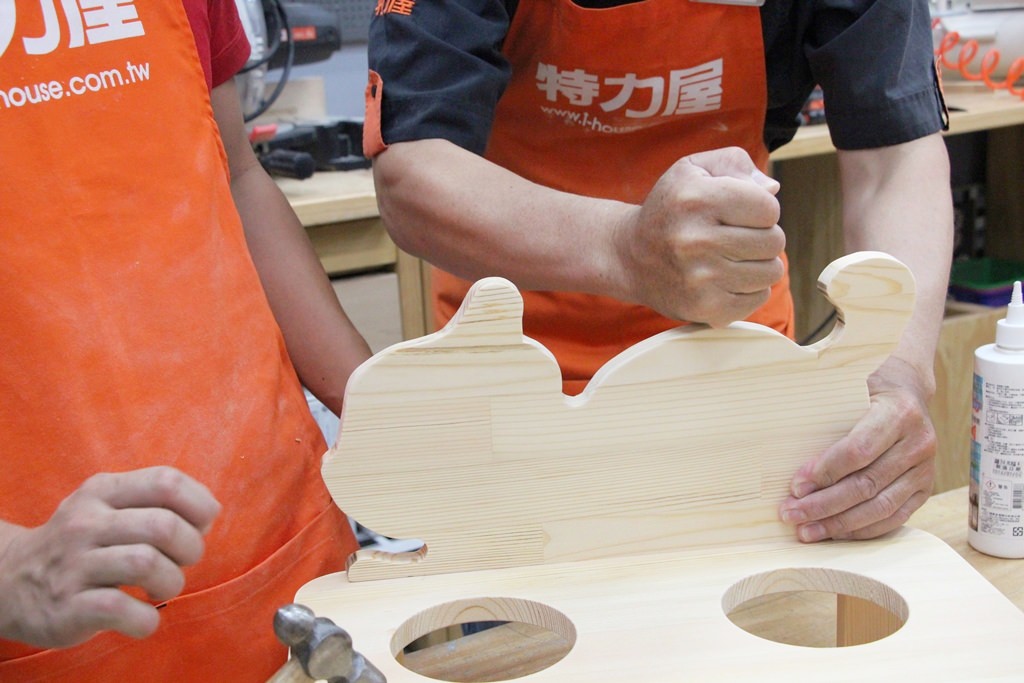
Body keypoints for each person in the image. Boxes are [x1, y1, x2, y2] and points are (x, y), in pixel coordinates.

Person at [363, 0, 954, 544]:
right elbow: (415, 176)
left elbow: (894, 158)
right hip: (519, 390)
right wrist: (623, 249)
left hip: (738, 378)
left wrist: (895, 375)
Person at [0, 0, 371, 679]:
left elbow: (237, 177)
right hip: (50, 626)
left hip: (286, 561)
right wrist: (9, 567)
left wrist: (381, 405)